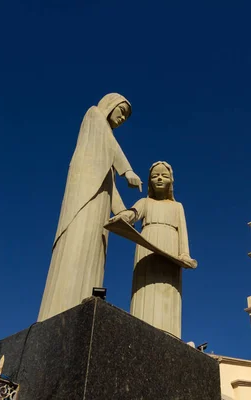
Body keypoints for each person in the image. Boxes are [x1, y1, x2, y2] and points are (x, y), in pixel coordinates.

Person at [38, 93, 142, 322]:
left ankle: (83, 316)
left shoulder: (105, 154)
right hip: (82, 205)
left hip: (99, 214)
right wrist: (128, 170)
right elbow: (108, 140)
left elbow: (107, 184)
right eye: (121, 111)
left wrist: (122, 210)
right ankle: (60, 312)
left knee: (93, 258)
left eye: (126, 115)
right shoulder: (94, 115)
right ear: (109, 105)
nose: (123, 117)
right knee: (75, 248)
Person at [112, 161, 195, 338]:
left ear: (171, 181)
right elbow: (132, 213)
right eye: (155, 175)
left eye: (164, 176)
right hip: (147, 244)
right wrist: (123, 216)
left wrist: (184, 254)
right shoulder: (144, 202)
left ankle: (169, 332)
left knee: (167, 288)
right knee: (145, 286)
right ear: (149, 181)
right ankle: (140, 328)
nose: (159, 178)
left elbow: (183, 232)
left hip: (170, 246)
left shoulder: (176, 206)